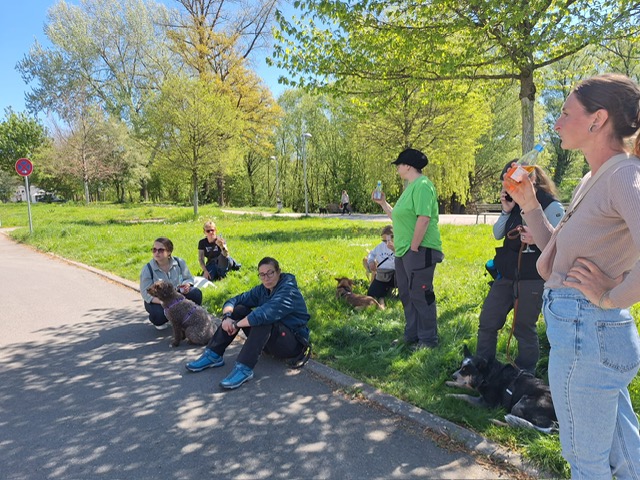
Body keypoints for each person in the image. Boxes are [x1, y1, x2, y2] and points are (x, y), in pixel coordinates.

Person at [505, 74, 640, 478]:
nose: (557, 122)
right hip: (591, 334)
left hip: (587, 333)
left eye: (566, 113)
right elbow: (556, 257)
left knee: (585, 461)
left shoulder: (623, 176)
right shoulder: (593, 178)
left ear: (598, 119)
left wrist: (611, 296)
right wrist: (529, 204)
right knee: (625, 455)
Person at [476, 164, 564, 373]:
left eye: (511, 182)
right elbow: (497, 234)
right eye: (506, 184)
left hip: (533, 277)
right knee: (487, 321)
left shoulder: (551, 205)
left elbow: (563, 242)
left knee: (523, 328)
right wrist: (506, 211)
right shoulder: (513, 203)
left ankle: (525, 375)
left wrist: (537, 238)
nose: (508, 188)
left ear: (530, 179)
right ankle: (481, 370)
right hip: (506, 274)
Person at [185, 257, 311, 390]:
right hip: (272, 342)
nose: (266, 278)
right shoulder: (262, 290)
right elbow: (234, 300)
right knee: (239, 309)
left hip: (292, 345)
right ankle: (213, 354)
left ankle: (244, 368)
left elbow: (263, 314)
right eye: (262, 275)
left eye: (270, 273)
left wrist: (235, 325)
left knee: (263, 320)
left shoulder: (289, 291)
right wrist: (227, 318)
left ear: (279, 272)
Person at [373, 148, 444, 349]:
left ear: (408, 166)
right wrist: (383, 203)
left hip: (420, 250)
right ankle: (412, 335)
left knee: (421, 294)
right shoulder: (410, 187)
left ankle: (428, 340)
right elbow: (398, 217)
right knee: (406, 294)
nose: (397, 168)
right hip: (403, 251)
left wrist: (413, 248)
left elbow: (424, 218)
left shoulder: (423, 186)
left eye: (399, 164)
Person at [140, 237, 203, 330]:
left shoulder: (179, 262)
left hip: (177, 295)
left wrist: (187, 285)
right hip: (158, 300)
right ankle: (159, 320)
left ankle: (189, 317)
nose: (156, 253)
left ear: (169, 252)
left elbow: (188, 278)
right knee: (159, 315)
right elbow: (145, 293)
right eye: (154, 249)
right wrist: (165, 302)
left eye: (160, 250)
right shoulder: (148, 268)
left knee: (196, 293)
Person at [364, 225, 396, 303]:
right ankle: (384, 292)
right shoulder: (380, 246)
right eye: (384, 240)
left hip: (396, 275)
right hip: (382, 274)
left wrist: (394, 249)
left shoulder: (400, 245)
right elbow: (371, 254)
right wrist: (371, 261)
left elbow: (404, 258)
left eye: (388, 240)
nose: (386, 243)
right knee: (372, 294)